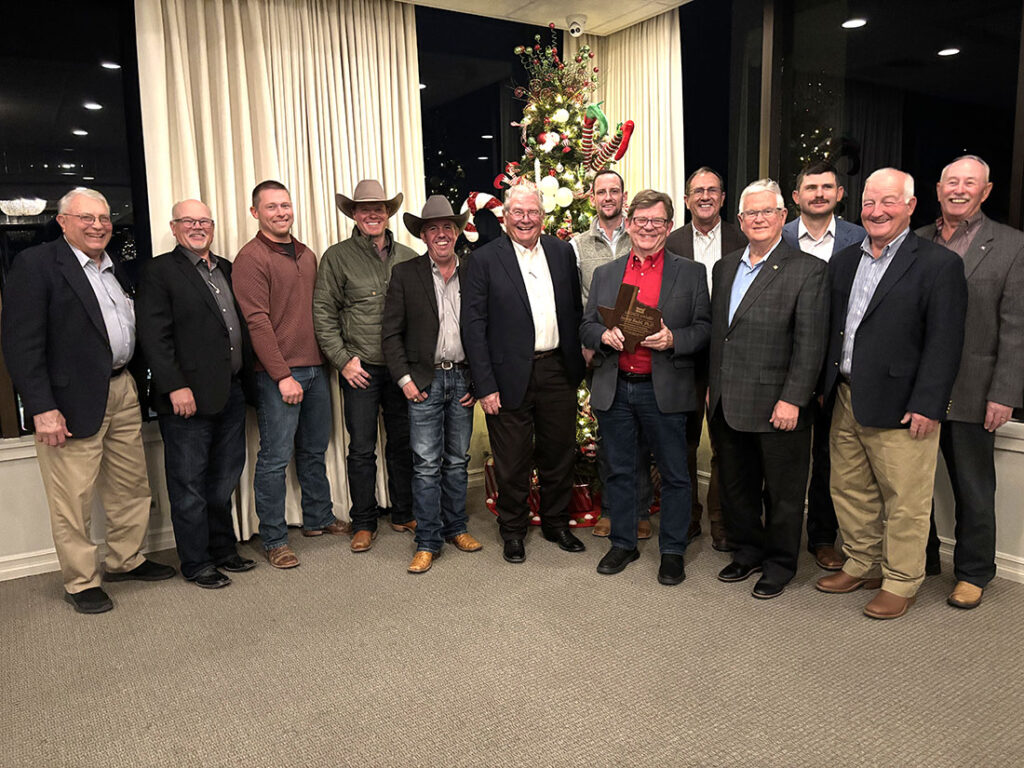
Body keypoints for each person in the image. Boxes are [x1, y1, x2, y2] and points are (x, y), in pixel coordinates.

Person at [1, 188, 175, 613]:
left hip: (121, 389)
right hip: (67, 400)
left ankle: (126, 559)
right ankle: (81, 581)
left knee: (131, 485)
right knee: (72, 498)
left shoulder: (116, 268)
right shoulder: (37, 265)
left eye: (103, 218)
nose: (98, 225)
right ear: (63, 221)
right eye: (86, 217)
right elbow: (21, 345)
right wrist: (42, 407)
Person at [817, 167, 967, 620]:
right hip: (845, 396)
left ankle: (901, 580)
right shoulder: (844, 261)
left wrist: (928, 403)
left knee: (906, 498)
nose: (877, 211)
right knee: (849, 488)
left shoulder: (939, 265)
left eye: (888, 202)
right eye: (869, 202)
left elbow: (945, 341)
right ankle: (862, 563)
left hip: (903, 406)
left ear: (911, 205)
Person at [581, 190, 711, 584]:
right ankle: (623, 543)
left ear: (669, 227)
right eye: (640, 220)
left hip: (664, 388)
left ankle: (672, 551)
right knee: (620, 471)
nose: (648, 228)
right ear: (629, 223)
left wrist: (674, 340)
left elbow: (704, 329)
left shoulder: (689, 272)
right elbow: (585, 325)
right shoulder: (607, 273)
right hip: (616, 387)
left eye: (656, 221)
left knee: (674, 475)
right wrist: (605, 335)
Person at [708, 179, 829, 599]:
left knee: (783, 493)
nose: (758, 219)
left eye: (767, 212)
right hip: (728, 402)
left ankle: (779, 563)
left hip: (779, 406)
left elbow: (810, 344)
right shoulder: (724, 268)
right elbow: (720, 335)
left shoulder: (808, 270)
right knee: (737, 488)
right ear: (739, 221)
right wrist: (712, 387)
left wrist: (793, 398)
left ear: (783, 217)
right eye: (750, 213)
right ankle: (748, 551)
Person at [916, 155, 1024, 609]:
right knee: (912, 486)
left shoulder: (1011, 245)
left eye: (970, 183)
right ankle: (920, 562)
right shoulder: (915, 239)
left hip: (974, 390)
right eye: (951, 182)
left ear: (987, 190)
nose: (959, 189)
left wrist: (1004, 393)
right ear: (938, 189)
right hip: (917, 389)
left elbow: (1016, 327)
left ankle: (975, 571)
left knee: (973, 489)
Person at [461, 184, 587, 563]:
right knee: (512, 461)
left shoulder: (562, 252)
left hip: (557, 371)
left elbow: (573, 311)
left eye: (532, 212)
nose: (525, 219)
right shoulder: (484, 259)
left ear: (543, 217)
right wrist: (485, 385)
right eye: (518, 212)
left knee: (559, 453)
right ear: (506, 216)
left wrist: (578, 362)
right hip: (507, 376)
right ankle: (513, 530)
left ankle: (555, 523)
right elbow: (474, 326)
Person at [136, 199, 257, 589]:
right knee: (188, 483)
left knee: (223, 478)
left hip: (231, 391)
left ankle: (223, 549)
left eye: (204, 220)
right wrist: (174, 385)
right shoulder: (159, 271)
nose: (197, 226)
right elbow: (155, 336)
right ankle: (196, 561)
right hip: (186, 398)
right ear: (174, 227)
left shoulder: (226, 267)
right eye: (189, 221)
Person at [233, 180, 343, 569]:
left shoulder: (306, 254)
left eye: (286, 205)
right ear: (255, 213)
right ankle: (275, 538)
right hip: (278, 375)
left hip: (315, 367)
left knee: (314, 449)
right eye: (271, 207)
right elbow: (257, 322)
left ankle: (318, 517)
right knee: (275, 458)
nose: (281, 213)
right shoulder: (250, 258)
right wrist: (281, 375)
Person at [314, 180, 417, 553]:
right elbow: (323, 313)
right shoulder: (336, 257)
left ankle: (404, 511)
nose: (372, 214)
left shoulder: (408, 256)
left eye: (379, 208)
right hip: (360, 369)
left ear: (388, 213)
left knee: (403, 443)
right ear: (354, 215)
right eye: (364, 209)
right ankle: (363, 521)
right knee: (361, 448)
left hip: (400, 369)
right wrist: (343, 360)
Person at [381, 196, 480, 573]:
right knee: (424, 465)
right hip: (423, 380)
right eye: (433, 228)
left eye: (448, 227)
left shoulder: (474, 271)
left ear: (456, 233)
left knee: (457, 462)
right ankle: (427, 540)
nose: (442, 234)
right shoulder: (406, 274)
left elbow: (484, 329)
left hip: (463, 378)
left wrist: (480, 380)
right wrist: (404, 379)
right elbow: (390, 334)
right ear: (423, 235)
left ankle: (456, 528)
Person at [781, 160, 867, 572]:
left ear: (839, 194)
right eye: (810, 187)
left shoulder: (861, 239)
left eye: (826, 187)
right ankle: (776, 534)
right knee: (782, 456)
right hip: (784, 370)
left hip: (836, 370)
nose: (818, 193)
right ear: (795, 197)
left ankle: (821, 536)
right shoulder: (775, 237)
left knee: (830, 460)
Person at [665, 167, 747, 550]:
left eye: (713, 190)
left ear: (723, 198)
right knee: (681, 443)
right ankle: (688, 516)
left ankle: (720, 517)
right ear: (686, 200)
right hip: (682, 354)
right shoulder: (671, 241)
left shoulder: (743, 238)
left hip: (730, 358)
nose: (705, 196)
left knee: (725, 445)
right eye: (697, 191)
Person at [570, 169, 652, 540]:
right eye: (601, 191)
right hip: (602, 355)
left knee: (642, 437)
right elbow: (575, 302)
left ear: (624, 196)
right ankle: (609, 508)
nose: (608, 197)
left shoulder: (642, 234)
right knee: (609, 438)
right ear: (592, 197)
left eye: (614, 191)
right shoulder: (577, 245)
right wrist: (587, 343)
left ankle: (640, 510)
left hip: (647, 352)